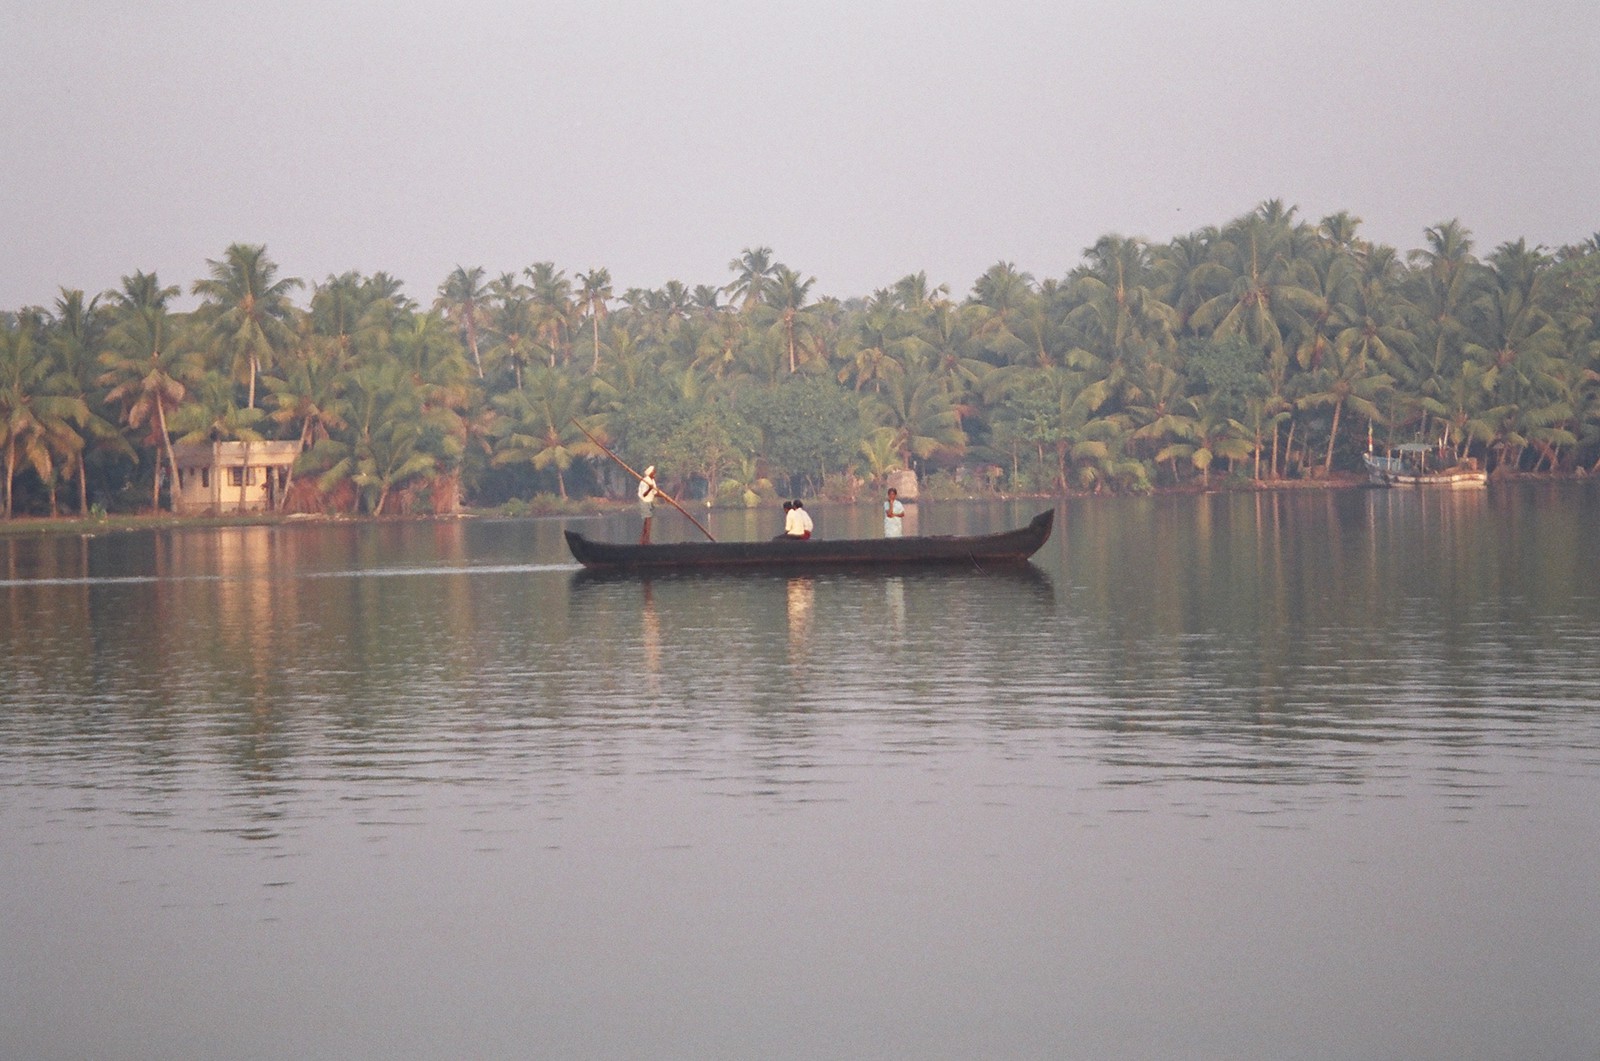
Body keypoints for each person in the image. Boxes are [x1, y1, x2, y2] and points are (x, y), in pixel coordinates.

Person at [637, 465, 658, 544]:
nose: (655, 473)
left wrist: (664, 497)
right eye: (653, 472)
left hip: (649, 502)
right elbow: (644, 495)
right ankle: (645, 540)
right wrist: (649, 488)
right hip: (644, 502)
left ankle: (644, 540)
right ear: (650, 473)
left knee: (648, 521)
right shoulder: (645, 481)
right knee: (647, 522)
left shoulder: (652, 481)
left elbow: (655, 493)